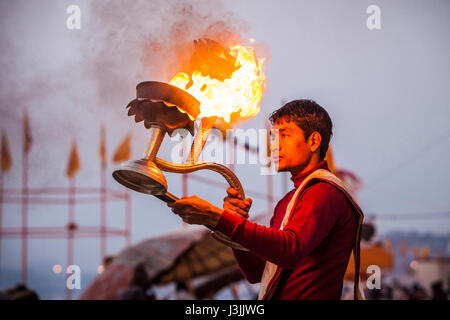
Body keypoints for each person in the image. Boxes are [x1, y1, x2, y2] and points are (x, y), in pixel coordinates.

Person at [168, 100, 364, 300]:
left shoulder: (324, 190)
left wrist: (218, 218)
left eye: (285, 135)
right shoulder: (288, 201)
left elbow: (290, 249)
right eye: (273, 137)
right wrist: (232, 222)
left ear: (313, 141)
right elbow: (258, 273)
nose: (274, 146)